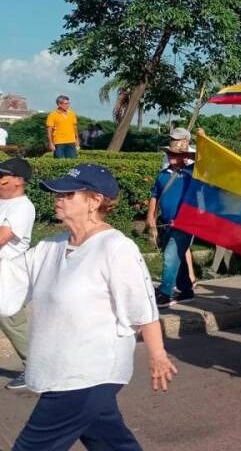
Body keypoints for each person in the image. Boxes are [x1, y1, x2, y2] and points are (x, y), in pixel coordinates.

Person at [0, 163, 176, 449]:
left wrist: (157, 356)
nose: (58, 199)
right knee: (109, 441)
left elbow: (143, 309)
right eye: (57, 193)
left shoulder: (116, 248)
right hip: (59, 367)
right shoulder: (51, 246)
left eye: (68, 195)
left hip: (87, 371)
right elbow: (12, 277)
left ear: (94, 201)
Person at [148, 140, 197, 308]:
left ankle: (165, 293)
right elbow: (155, 194)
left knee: (170, 257)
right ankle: (186, 290)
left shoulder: (193, 174)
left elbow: (196, 200)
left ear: (184, 156)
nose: (170, 156)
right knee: (178, 256)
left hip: (184, 224)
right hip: (167, 223)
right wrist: (151, 216)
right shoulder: (163, 174)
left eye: (174, 154)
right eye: (169, 153)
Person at [0, 158, 35, 389]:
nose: (0, 179)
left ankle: (35, 367)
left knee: (12, 322)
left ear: (19, 181)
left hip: (9, 275)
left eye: (5, 175)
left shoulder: (23, 206)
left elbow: (2, 237)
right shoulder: (3, 202)